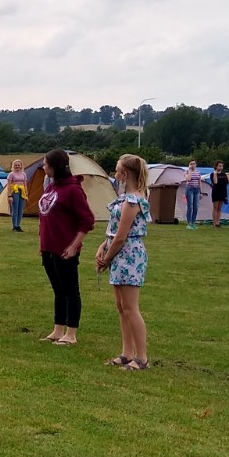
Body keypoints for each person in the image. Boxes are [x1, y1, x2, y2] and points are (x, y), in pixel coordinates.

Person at [96, 154, 152, 370]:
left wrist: (106, 259)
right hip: (119, 253)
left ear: (125, 174)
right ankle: (127, 353)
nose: (115, 174)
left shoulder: (132, 201)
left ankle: (142, 357)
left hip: (129, 255)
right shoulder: (124, 199)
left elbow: (121, 236)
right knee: (121, 306)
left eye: (118, 171)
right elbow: (114, 232)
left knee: (131, 307)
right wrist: (103, 246)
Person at [37, 148, 96, 345]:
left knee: (71, 291)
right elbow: (45, 217)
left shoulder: (73, 190)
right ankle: (58, 329)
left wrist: (74, 246)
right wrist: (42, 243)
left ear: (54, 166)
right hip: (48, 248)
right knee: (58, 290)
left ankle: (71, 334)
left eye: (46, 164)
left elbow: (87, 220)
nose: (43, 167)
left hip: (65, 250)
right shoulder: (51, 187)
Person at [5, 159, 28, 232]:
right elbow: (8, 186)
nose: (17, 166)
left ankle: (18, 225)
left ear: (21, 166)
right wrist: (9, 195)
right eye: (16, 165)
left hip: (22, 191)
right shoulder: (11, 174)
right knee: (15, 209)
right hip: (14, 191)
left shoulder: (23, 174)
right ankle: (14, 226)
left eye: (18, 165)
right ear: (13, 166)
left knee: (20, 210)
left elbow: (25, 184)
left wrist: (26, 193)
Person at [183, 159, 202, 229]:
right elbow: (188, 179)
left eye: (194, 164)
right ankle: (189, 223)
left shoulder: (198, 172)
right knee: (190, 206)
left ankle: (193, 222)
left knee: (196, 207)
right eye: (191, 164)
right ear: (189, 165)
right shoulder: (186, 172)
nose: (192, 165)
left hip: (197, 190)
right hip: (189, 189)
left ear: (196, 165)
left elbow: (199, 182)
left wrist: (201, 192)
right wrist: (190, 171)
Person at [210, 160, 229, 228]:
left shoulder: (224, 174)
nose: (221, 167)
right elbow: (215, 182)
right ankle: (214, 223)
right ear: (216, 166)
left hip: (223, 192)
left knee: (219, 208)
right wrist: (215, 174)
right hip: (216, 192)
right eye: (219, 166)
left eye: (222, 166)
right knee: (215, 207)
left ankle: (218, 222)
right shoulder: (212, 174)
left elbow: (226, 183)